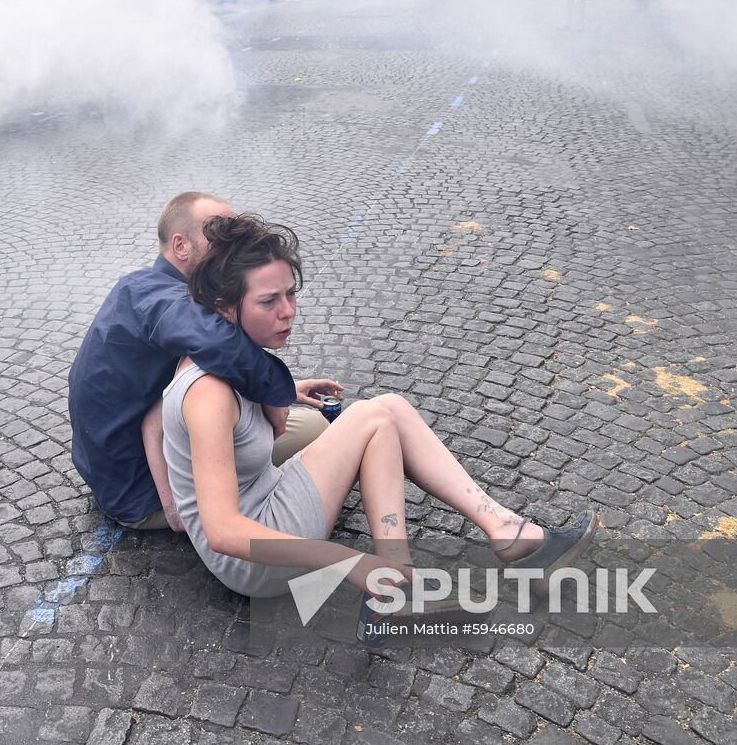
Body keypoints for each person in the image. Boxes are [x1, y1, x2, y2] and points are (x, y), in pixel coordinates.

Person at [162, 215, 598, 634]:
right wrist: (348, 561)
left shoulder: (229, 352)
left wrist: (282, 389)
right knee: (373, 419)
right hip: (252, 559)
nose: (288, 311)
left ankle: (496, 534)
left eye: (291, 294)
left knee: (389, 407)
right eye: (268, 301)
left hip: (266, 501)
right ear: (224, 309)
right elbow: (223, 532)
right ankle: (398, 585)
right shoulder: (209, 394)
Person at [70, 193, 339, 531]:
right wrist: (273, 391)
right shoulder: (161, 298)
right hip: (142, 493)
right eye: (218, 231)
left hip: (120, 469)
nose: (231, 242)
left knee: (309, 426)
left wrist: (284, 390)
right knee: (318, 432)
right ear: (181, 246)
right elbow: (219, 345)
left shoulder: (144, 288)